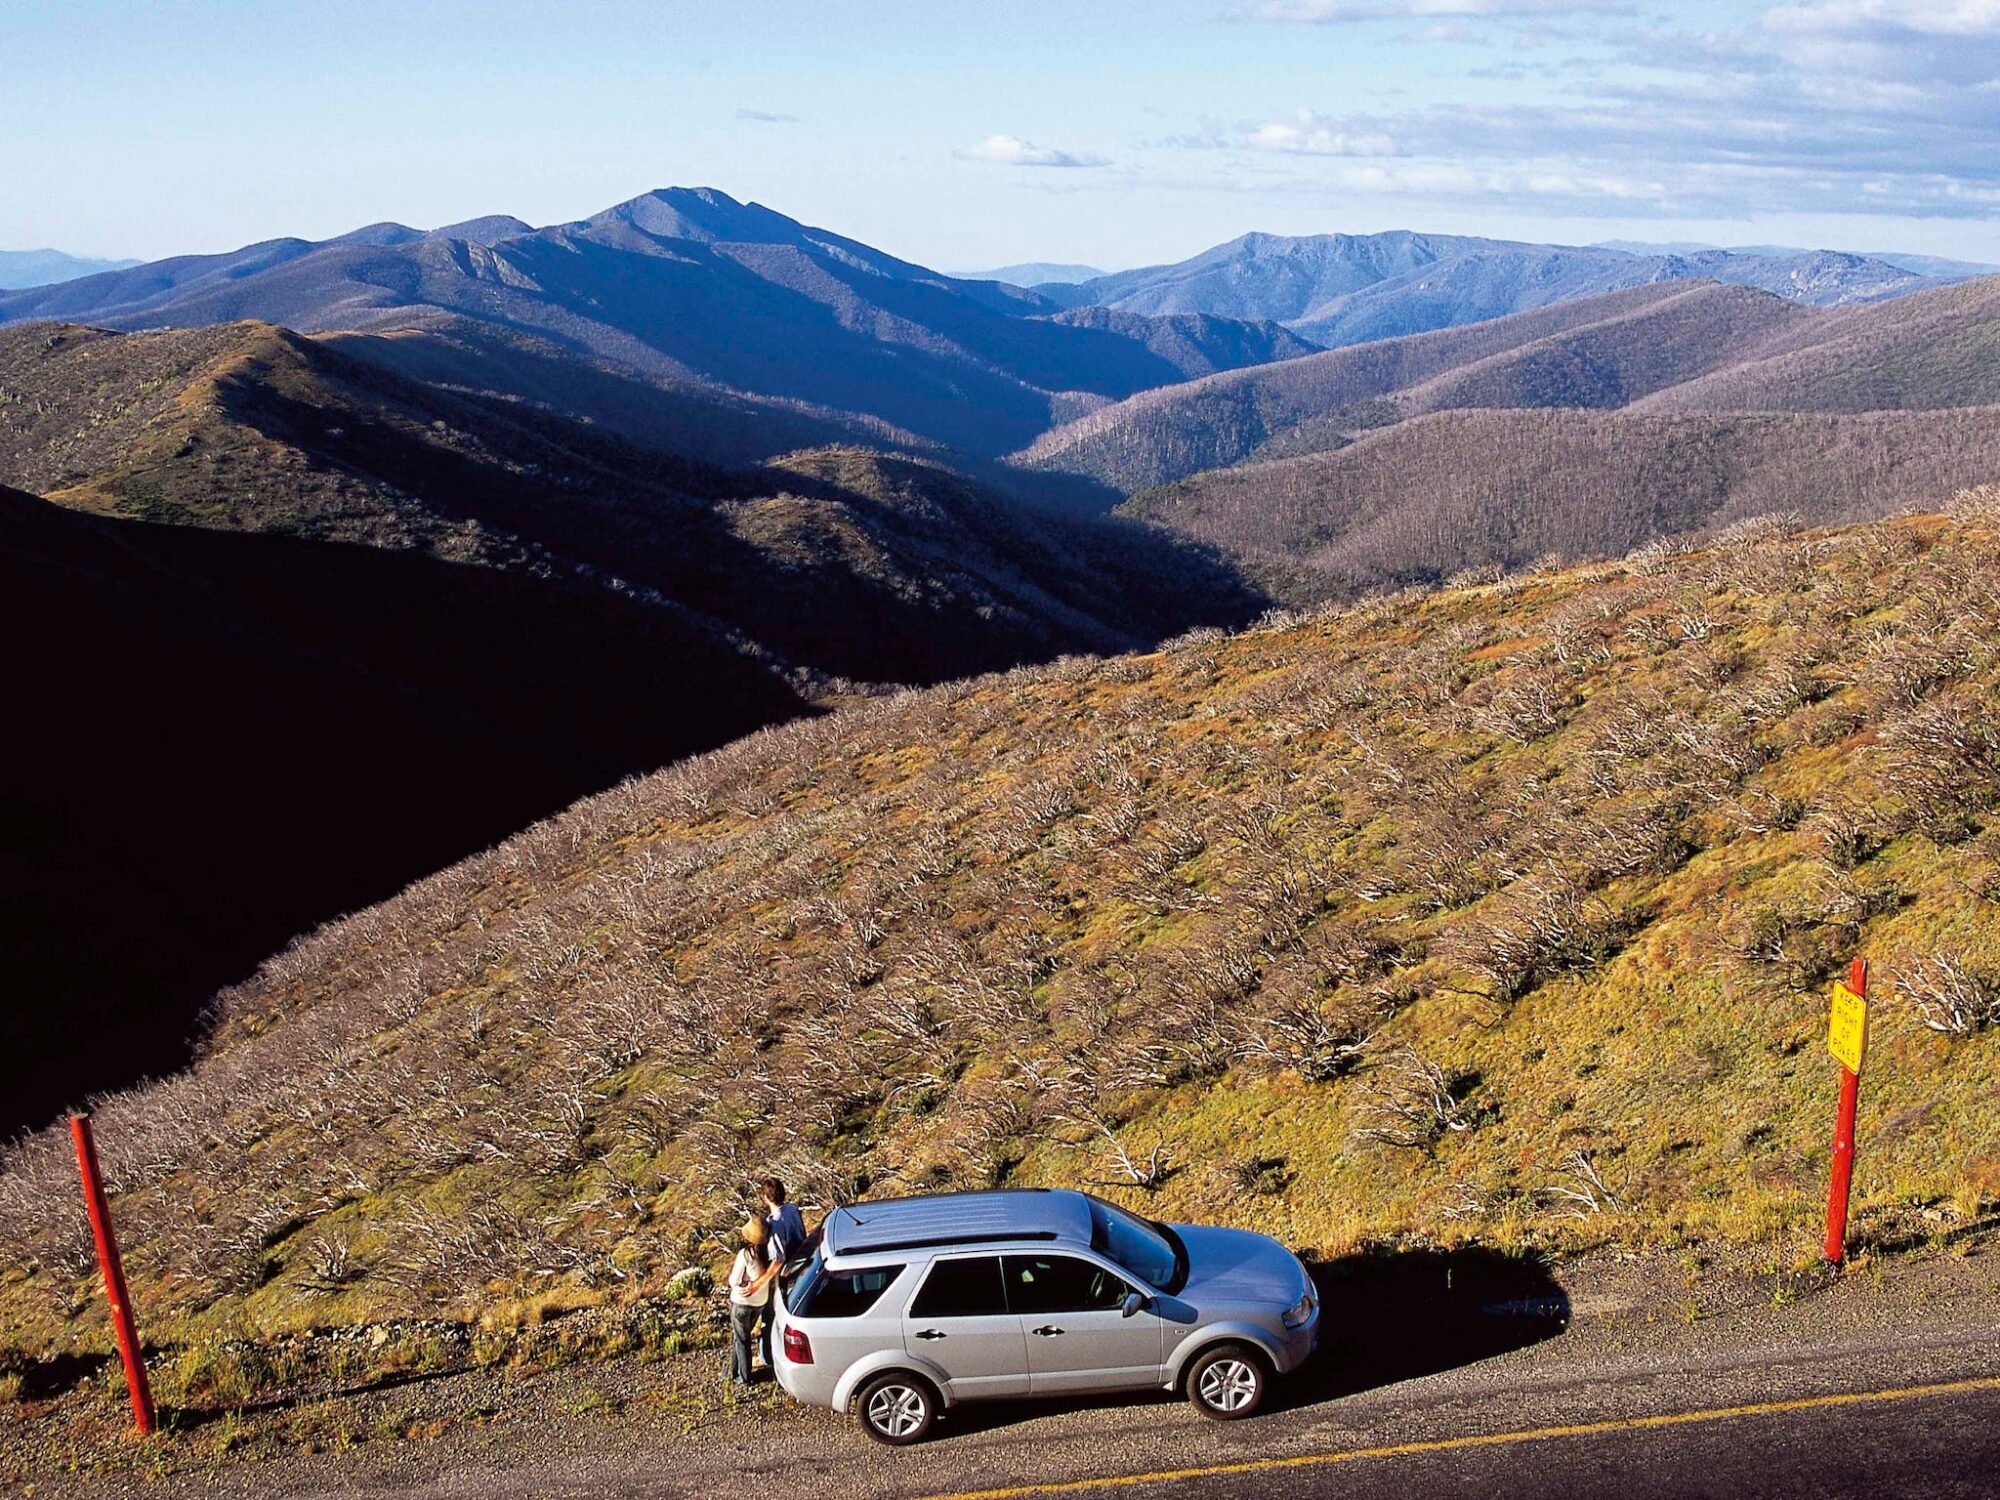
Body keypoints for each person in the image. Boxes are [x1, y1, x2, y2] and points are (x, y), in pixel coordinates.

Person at [755, 1178, 809, 1369]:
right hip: (802, 1263)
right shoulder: (792, 1210)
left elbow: (777, 1259)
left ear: (765, 1198)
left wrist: (760, 1282)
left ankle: (768, 1357)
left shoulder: (775, 1223)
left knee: (771, 1314)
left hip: (786, 1272)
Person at [727, 1218, 782, 1385]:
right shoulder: (769, 1255)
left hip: (742, 1302)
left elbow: (733, 1280)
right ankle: (732, 1372)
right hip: (759, 1302)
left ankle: (744, 1376)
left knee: (741, 1339)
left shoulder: (746, 1254)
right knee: (741, 1337)